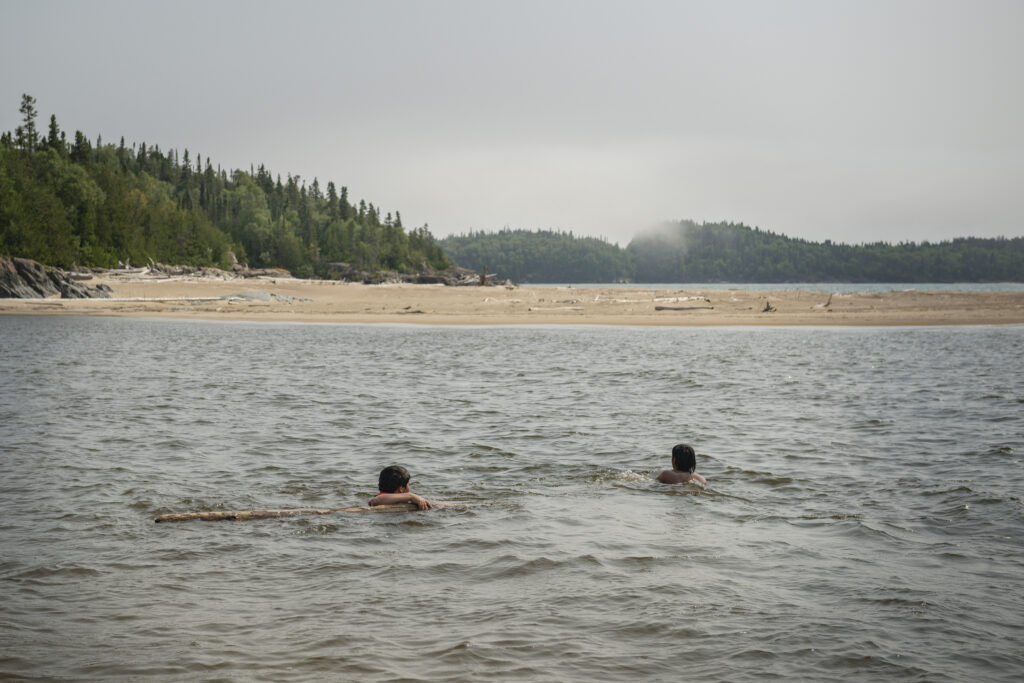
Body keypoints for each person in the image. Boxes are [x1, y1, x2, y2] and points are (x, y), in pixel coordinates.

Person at [369, 465, 433, 509]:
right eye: (408, 484)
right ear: (401, 489)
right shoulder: (381, 497)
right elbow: (377, 500)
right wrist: (411, 496)